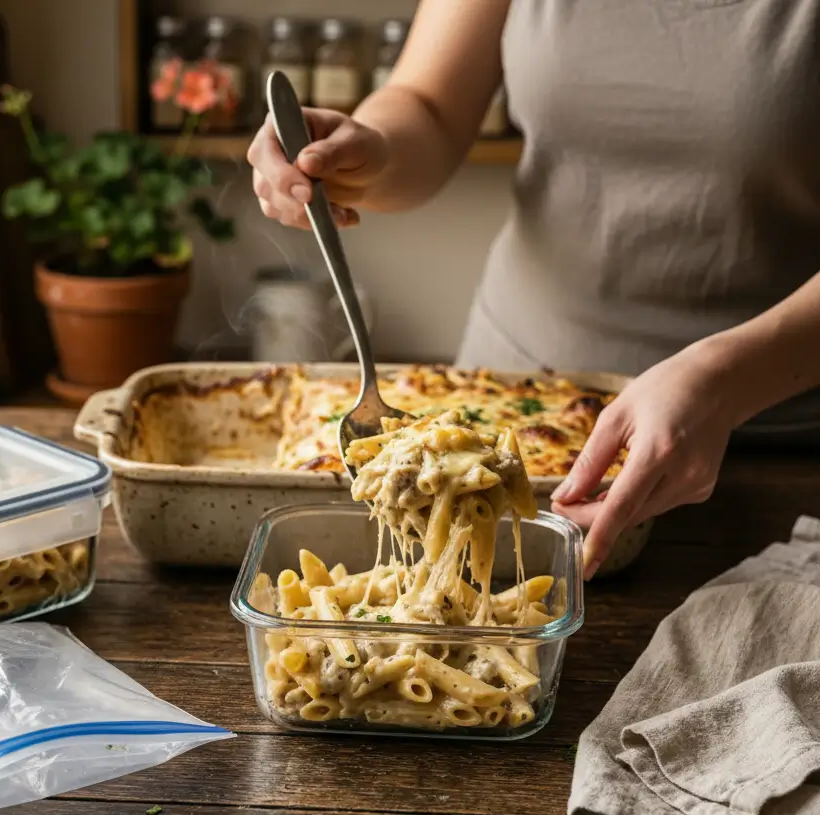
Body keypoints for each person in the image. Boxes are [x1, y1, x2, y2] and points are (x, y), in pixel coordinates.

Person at [247, 0, 820, 579]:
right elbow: (428, 106)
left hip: (778, 443)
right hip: (503, 417)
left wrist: (726, 379)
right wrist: (367, 151)